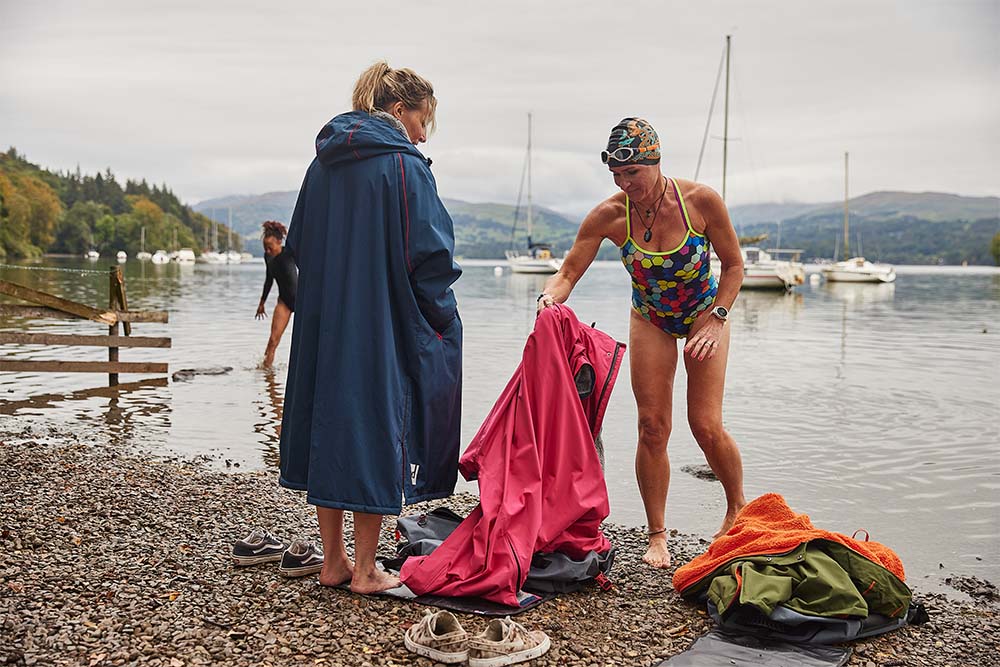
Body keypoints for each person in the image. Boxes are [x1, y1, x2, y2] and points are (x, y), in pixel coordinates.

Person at [278, 61, 463, 594]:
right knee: (376, 429)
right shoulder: (405, 166)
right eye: (423, 118)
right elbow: (430, 257)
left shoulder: (322, 165)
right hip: (380, 320)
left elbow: (301, 247)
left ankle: (332, 561)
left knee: (329, 424)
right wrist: (441, 320)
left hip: (324, 319)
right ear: (399, 110)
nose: (424, 132)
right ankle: (365, 570)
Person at [537, 118, 746, 569]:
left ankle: (736, 507)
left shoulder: (701, 202)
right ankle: (657, 534)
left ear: (655, 161)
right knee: (652, 426)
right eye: (617, 174)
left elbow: (733, 266)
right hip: (650, 318)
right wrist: (549, 298)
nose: (625, 182)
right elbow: (569, 272)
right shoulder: (610, 215)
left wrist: (718, 319)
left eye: (633, 172)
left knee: (705, 425)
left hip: (705, 315)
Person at [256, 221, 297, 367]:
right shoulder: (268, 257)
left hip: (301, 301)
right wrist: (262, 303)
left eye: (270, 247)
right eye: (265, 247)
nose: (267, 251)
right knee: (273, 341)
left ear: (279, 242)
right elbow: (269, 280)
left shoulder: (290, 254)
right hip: (284, 302)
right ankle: (268, 378)